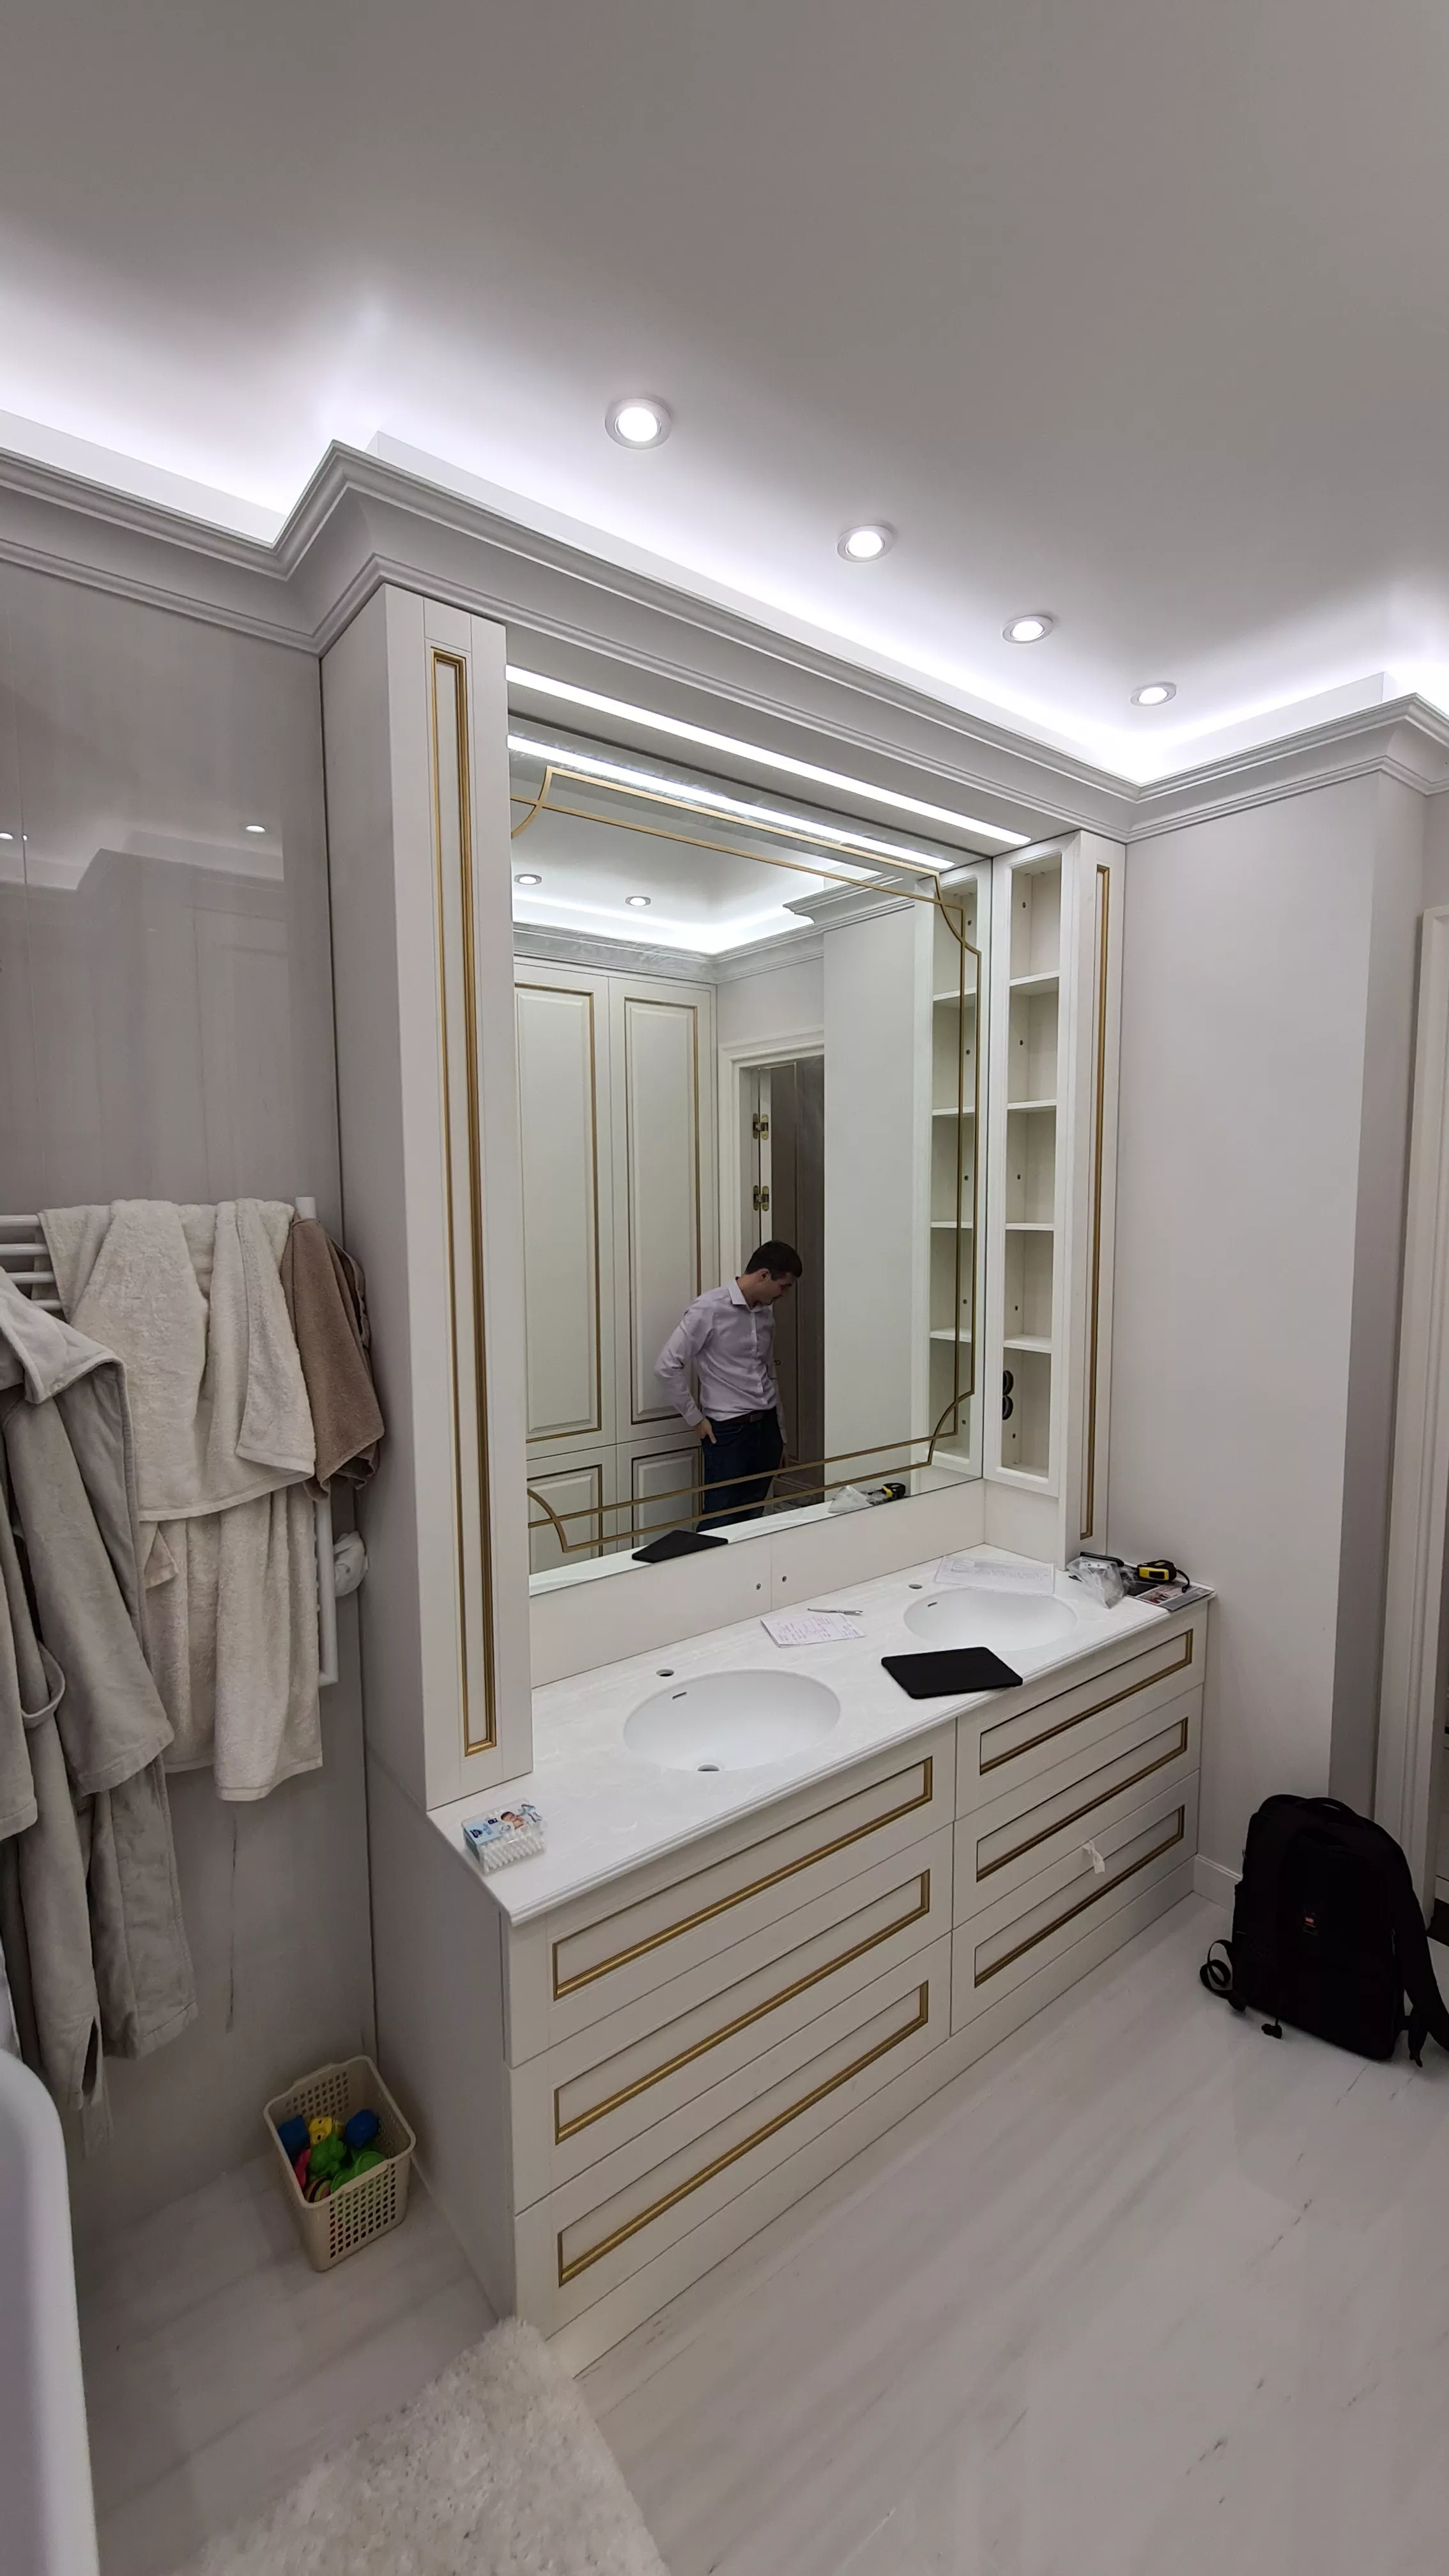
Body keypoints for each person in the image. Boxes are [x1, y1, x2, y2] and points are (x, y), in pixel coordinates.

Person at [655, 1242, 803, 1531]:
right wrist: (695, 1420)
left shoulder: (765, 1315)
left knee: (754, 1514)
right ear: (764, 1275)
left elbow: (769, 1372)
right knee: (720, 1519)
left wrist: (781, 1435)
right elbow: (666, 1366)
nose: (784, 1294)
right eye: (783, 1286)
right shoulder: (709, 1308)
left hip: (767, 1427)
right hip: (729, 1431)